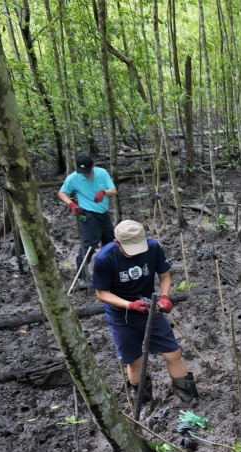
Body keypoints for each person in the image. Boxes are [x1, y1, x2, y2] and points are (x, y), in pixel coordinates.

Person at [91, 220, 200, 405]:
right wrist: (129, 305)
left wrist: (165, 296)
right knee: (135, 361)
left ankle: (188, 397)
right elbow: (102, 293)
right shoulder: (105, 258)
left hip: (150, 307)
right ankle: (143, 401)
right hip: (121, 315)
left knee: (173, 353)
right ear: (117, 243)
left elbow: (164, 275)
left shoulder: (152, 247)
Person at [58, 153, 117, 287]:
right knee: (89, 245)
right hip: (88, 215)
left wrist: (103, 192)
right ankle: (82, 277)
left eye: (87, 171)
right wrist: (71, 204)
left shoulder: (102, 173)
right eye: (81, 171)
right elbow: (62, 193)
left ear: (93, 166)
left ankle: (111, 272)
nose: (84, 174)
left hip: (103, 213)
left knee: (111, 243)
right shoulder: (73, 178)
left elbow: (113, 191)